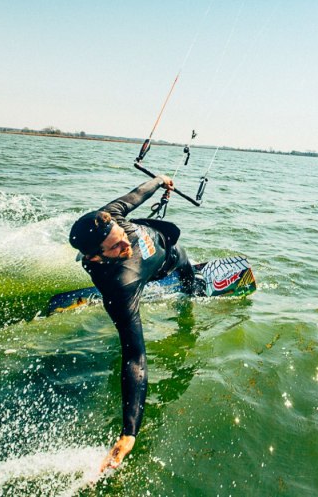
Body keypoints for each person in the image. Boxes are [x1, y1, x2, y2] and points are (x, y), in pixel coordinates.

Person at [68, 175, 201, 472]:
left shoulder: (108, 217)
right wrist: (129, 433)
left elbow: (137, 194)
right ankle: (190, 280)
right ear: (96, 257)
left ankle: (192, 284)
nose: (125, 243)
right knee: (179, 261)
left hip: (167, 246)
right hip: (155, 269)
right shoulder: (120, 286)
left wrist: (159, 180)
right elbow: (134, 357)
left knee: (183, 258)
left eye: (121, 235)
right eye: (116, 247)